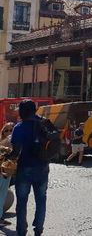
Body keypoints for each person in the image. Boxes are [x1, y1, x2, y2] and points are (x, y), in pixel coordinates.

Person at [9, 100, 50, 236]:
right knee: (41, 199)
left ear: (22, 111)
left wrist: (8, 158)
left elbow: (16, 152)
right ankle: (38, 230)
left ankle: (21, 231)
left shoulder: (19, 128)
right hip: (43, 168)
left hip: (25, 168)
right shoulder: (44, 125)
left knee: (21, 202)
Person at [0, 122, 14, 227]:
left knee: (2, 196)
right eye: (6, 130)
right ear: (2, 131)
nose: (9, 132)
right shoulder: (2, 142)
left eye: (11, 130)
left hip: (7, 172)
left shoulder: (14, 141)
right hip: (2, 172)